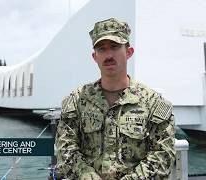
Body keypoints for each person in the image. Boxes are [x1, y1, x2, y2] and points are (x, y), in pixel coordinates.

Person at [55, 18, 175, 180]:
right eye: (101, 49)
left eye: (115, 47)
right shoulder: (77, 100)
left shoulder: (153, 103)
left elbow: (163, 155)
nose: (108, 55)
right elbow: (65, 148)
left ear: (129, 52)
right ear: (95, 57)